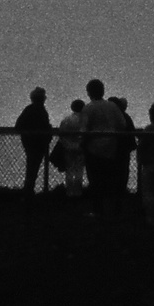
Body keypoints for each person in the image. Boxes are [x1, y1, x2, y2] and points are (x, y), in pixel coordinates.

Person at [80, 79, 127, 215]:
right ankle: (114, 209)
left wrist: (83, 144)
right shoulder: (112, 106)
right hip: (112, 148)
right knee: (112, 180)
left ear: (89, 92)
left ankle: (98, 210)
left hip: (94, 150)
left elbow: (83, 130)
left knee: (95, 181)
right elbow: (122, 124)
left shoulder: (88, 108)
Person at [16, 87, 53, 197]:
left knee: (31, 168)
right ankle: (28, 192)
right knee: (33, 168)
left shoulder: (30, 109)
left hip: (31, 143)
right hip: (38, 144)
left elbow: (18, 125)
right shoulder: (40, 110)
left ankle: (28, 191)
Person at [57, 99, 86, 199]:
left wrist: (67, 145)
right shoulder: (84, 120)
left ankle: (69, 192)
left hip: (68, 148)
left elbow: (61, 135)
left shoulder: (66, 119)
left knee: (69, 170)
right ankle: (78, 192)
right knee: (79, 171)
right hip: (81, 149)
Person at [111, 97, 136, 199]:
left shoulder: (112, 118)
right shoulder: (125, 117)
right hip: (123, 150)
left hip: (115, 150)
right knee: (122, 172)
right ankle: (121, 193)